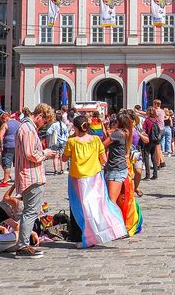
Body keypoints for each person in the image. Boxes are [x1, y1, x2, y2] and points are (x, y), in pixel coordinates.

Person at [62, 114, 127, 248]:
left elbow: (64, 158)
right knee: (98, 205)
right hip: (95, 178)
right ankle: (111, 229)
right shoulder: (96, 140)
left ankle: (86, 236)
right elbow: (103, 159)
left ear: (75, 128)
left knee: (81, 208)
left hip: (77, 179)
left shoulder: (72, 142)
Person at [13, 103, 57, 258]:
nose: (43, 125)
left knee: (30, 211)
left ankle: (24, 244)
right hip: (31, 176)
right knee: (31, 212)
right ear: (39, 116)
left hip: (27, 174)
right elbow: (30, 153)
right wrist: (45, 153)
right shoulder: (29, 129)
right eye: (44, 122)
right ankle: (23, 246)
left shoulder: (25, 127)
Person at [103, 112, 131, 203]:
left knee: (112, 201)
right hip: (119, 166)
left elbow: (103, 145)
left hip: (115, 168)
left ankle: (116, 217)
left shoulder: (118, 133)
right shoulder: (126, 132)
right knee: (115, 200)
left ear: (119, 122)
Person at [0, 113, 19, 187]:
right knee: (17, 164)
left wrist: (1, 146)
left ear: (5, 118)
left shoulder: (5, 125)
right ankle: (18, 179)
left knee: (7, 163)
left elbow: (0, 136)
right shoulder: (19, 123)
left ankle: (5, 180)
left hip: (8, 146)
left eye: (2, 120)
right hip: (17, 145)